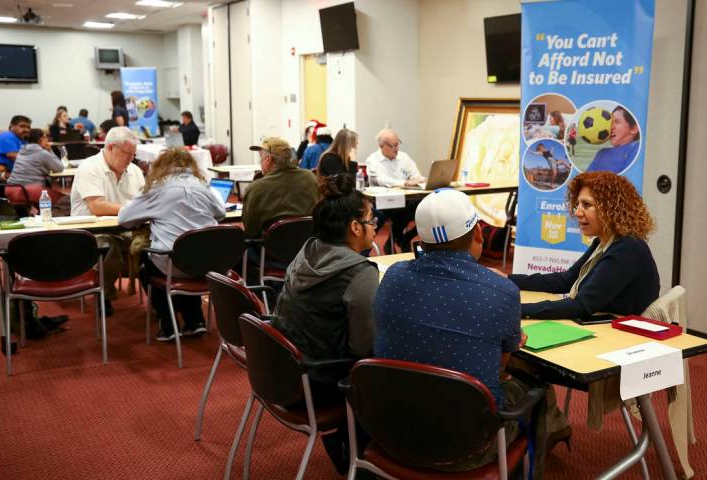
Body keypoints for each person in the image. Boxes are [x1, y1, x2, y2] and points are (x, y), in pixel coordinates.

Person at [374, 188, 548, 474]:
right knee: (537, 388)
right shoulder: (502, 292)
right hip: (468, 447)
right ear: (478, 233)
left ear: (419, 238)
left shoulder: (392, 277)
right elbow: (500, 371)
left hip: (389, 432)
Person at [272, 174, 378, 473]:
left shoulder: (307, 250)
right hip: (320, 382)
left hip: (283, 371)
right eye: (372, 219)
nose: (376, 225)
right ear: (355, 227)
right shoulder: (359, 273)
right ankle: (365, 458)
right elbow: (365, 348)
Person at [506, 171, 659, 320]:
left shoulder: (627, 248)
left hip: (624, 337)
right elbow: (566, 280)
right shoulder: (603, 241)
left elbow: (581, 305)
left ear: (611, 209)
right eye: (578, 204)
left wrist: (516, 310)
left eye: (586, 205)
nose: (578, 212)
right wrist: (508, 279)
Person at [118, 149, 226, 341]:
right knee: (189, 253)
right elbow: (221, 213)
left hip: (172, 264)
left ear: (161, 166)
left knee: (147, 259)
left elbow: (124, 219)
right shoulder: (203, 186)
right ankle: (195, 321)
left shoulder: (156, 188)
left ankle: (167, 323)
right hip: (207, 263)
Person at [71, 127, 146, 315]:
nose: (131, 159)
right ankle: (102, 292)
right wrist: (133, 210)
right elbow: (97, 206)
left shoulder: (135, 171)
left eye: (133, 154)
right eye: (127, 153)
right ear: (111, 147)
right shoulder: (89, 167)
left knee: (158, 246)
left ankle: (161, 301)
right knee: (108, 248)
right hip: (91, 232)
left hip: (126, 228)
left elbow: (146, 200)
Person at [242, 137, 319, 239]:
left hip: (270, 251)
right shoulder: (309, 177)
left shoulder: (256, 187)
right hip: (306, 246)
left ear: (268, 159)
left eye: (261, 157)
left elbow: (250, 230)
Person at [365, 128, 425, 252]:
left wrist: (417, 180)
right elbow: (382, 180)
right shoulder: (373, 160)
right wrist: (405, 182)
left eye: (398, 144)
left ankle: (405, 238)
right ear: (381, 146)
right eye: (393, 145)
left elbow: (416, 175)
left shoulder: (404, 157)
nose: (396, 148)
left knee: (424, 209)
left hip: (405, 200)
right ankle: (399, 240)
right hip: (384, 202)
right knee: (401, 212)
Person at [7, 128, 64, 195]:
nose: (47, 140)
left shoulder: (22, 151)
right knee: (63, 199)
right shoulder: (42, 153)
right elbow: (60, 167)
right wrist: (50, 150)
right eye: (45, 137)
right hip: (28, 190)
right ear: (40, 139)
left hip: (10, 189)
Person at [587, 106, 640, 173]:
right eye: (610, 123)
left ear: (634, 129)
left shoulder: (636, 150)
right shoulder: (602, 153)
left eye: (617, 122)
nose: (611, 127)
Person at [0, 115, 31, 179]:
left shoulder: (22, 140)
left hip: (10, 174)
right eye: (22, 126)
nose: (26, 129)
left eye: (28, 127)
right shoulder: (7, 136)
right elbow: (13, 156)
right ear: (12, 126)